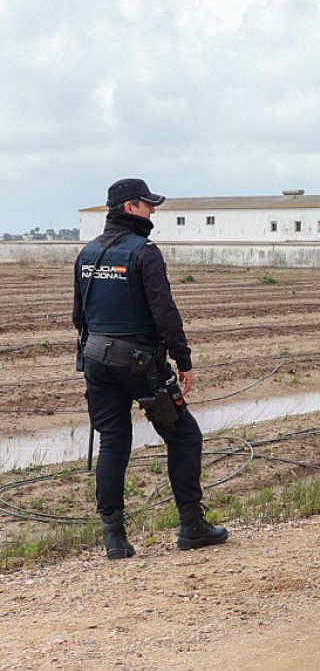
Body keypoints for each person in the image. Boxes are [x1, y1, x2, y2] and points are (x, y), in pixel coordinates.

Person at [73, 178, 227, 560]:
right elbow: (164, 313)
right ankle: (192, 527)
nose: (152, 211)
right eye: (146, 204)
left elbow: (79, 317)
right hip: (141, 366)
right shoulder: (144, 252)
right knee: (185, 436)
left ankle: (114, 539)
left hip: (96, 362)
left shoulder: (87, 253)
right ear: (129, 208)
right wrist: (184, 361)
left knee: (113, 443)